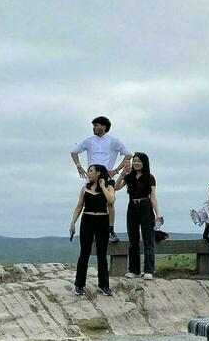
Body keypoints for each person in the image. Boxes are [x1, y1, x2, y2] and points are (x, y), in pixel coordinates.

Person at [71, 116, 130, 241]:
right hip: (91, 176)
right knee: (89, 202)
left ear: (104, 126)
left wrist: (116, 170)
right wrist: (79, 167)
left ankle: (110, 230)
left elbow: (128, 154)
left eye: (96, 125)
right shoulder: (89, 140)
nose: (94, 127)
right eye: (93, 125)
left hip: (107, 175)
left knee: (110, 202)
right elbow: (74, 152)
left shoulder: (114, 141)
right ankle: (91, 230)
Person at [114, 152, 163, 280]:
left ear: (144, 163)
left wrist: (158, 213)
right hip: (132, 207)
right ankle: (134, 270)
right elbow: (116, 187)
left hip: (146, 206)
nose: (136, 163)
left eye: (139, 161)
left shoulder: (150, 177)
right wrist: (122, 174)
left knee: (148, 240)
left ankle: (149, 270)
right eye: (134, 161)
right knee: (133, 240)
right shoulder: (129, 176)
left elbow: (153, 196)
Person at [69, 164, 116, 296]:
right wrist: (73, 222)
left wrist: (102, 186)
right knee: (84, 253)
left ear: (99, 173)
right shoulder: (85, 188)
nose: (88, 173)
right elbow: (79, 206)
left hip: (102, 220)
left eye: (91, 171)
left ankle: (104, 285)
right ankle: (79, 284)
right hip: (87, 220)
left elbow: (111, 201)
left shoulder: (109, 187)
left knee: (102, 254)